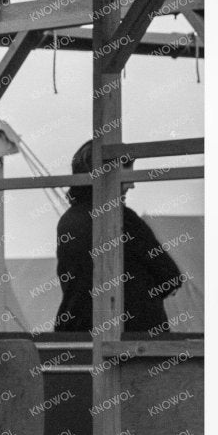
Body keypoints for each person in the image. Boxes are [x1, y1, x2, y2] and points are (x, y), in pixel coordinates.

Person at [52, 139, 183, 334]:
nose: (132, 185)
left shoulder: (67, 221)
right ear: (107, 177)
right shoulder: (121, 218)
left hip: (77, 335)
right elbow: (170, 276)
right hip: (134, 339)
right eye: (125, 177)